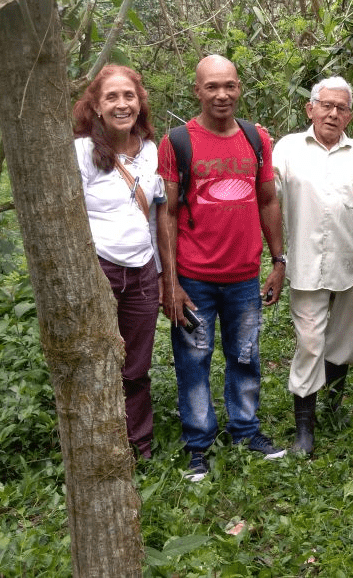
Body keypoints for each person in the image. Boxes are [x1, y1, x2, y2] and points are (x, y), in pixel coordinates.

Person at [157, 54, 287, 482]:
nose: (222, 94)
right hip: (194, 277)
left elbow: (267, 200)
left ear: (239, 87)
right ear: (197, 90)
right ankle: (198, 445)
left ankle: (246, 431)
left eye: (229, 85)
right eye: (212, 86)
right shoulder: (177, 142)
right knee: (193, 361)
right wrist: (170, 281)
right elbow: (169, 214)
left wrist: (278, 259)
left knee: (245, 356)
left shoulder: (256, 138)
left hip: (244, 276)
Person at [272, 77, 353, 456]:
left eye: (342, 108)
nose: (333, 113)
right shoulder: (286, 150)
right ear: (310, 108)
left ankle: (332, 408)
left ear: (350, 114)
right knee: (310, 342)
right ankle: (305, 429)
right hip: (304, 264)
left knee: (343, 343)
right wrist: (274, 257)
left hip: (351, 263)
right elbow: (267, 198)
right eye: (326, 105)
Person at [73, 65, 165, 461]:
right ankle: (98, 445)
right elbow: (68, 218)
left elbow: (154, 215)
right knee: (96, 361)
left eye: (129, 96)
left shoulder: (149, 149)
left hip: (142, 271)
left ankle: (138, 446)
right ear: (95, 105)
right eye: (111, 97)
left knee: (136, 366)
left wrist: (161, 274)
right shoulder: (80, 152)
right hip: (100, 268)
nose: (122, 104)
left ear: (139, 102)